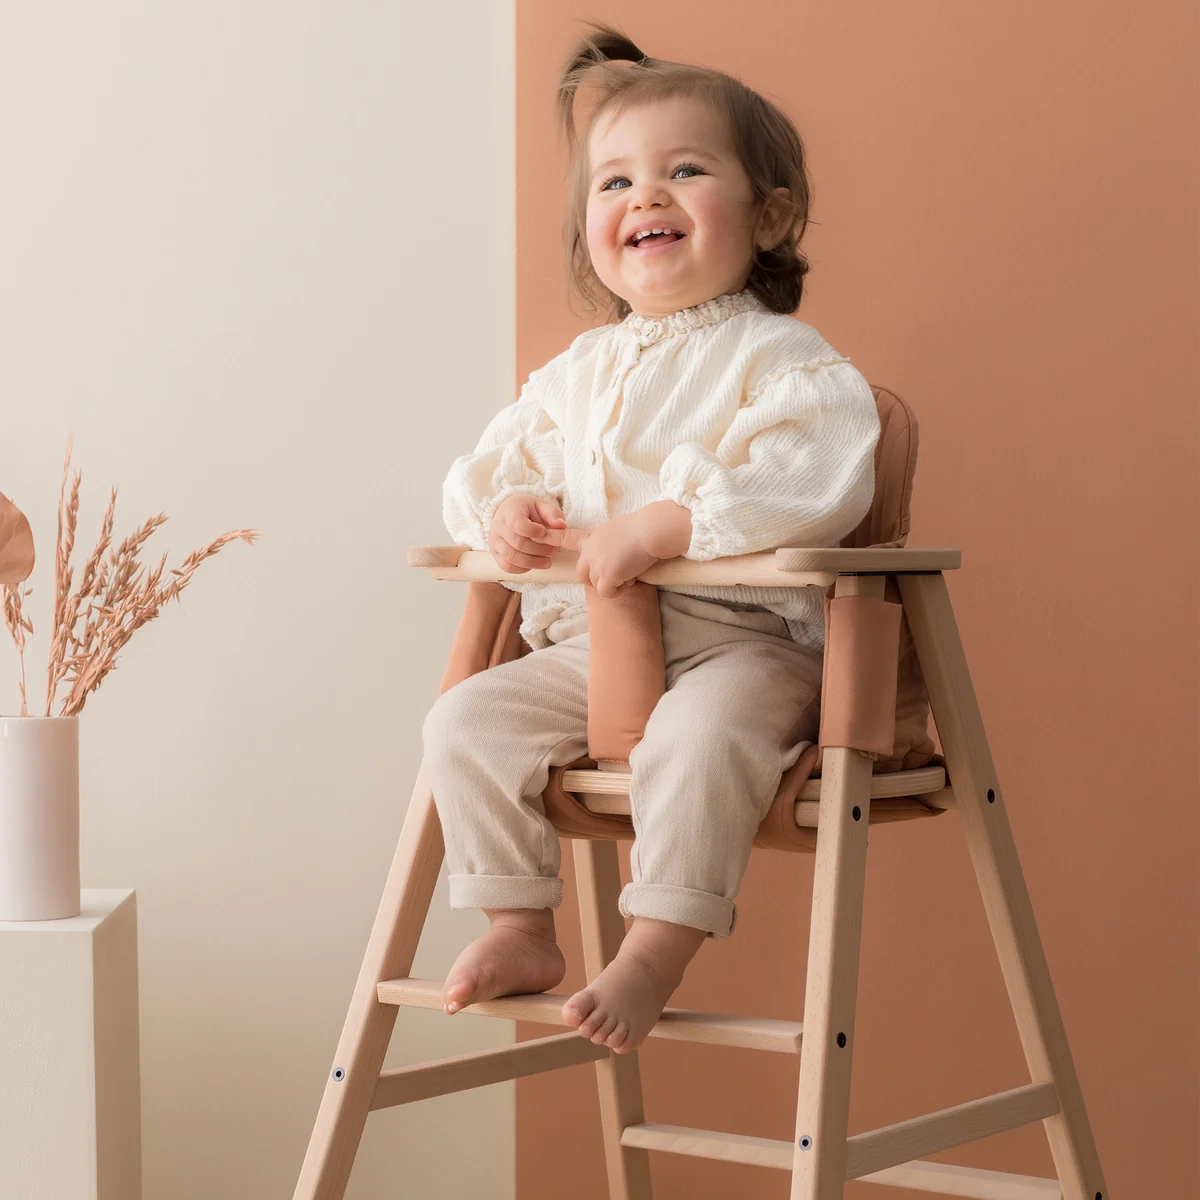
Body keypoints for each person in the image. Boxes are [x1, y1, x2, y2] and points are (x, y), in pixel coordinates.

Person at [421, 21, 881, 1054]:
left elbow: (817, 477)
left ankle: (655, 949)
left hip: (741, 644)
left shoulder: (781, 359)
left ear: (770, 215)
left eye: (685, 171)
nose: (646, 198)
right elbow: (493, 466)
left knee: (698, 740)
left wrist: (670, 524)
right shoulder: (575, 374)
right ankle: (519, 924)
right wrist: (507, 513)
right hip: (592, 653)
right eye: (615, 181)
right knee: (464, 723)